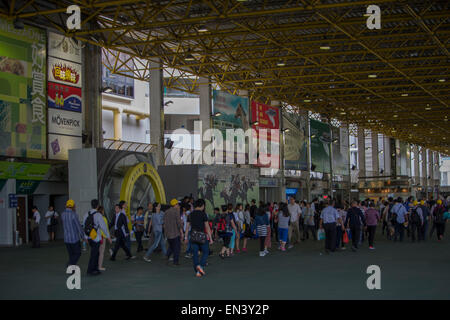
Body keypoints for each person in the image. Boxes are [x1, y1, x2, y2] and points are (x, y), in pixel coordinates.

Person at [184, 199, 213, 277]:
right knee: (206, 251)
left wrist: (185, 237)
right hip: (202, 236)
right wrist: (210, 238)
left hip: (193, 236)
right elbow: (207, 227)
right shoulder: (203, 214)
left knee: (195, 253)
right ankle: (200, 266)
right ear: (202, 206)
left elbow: (187, 227)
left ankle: (197, 270)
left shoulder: (190, 214)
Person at [82, 199, 112, 276]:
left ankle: (95, 269)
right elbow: (103, 227)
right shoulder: (98, 215)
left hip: (89, 237)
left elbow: (84, 226)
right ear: (98, 206)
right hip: (96, 237)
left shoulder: (86, 214)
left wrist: (85, 237)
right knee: (94, 254)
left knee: (96, 253)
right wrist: (108, 237)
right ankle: (90, 270)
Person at [61, 200, 84, 267]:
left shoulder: (62, 214)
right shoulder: (74, 214)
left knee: (71, 254)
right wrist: (83, 236)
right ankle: (70, 264)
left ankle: (72, 269)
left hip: (66, 238)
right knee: (77, 253)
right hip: (74, 239)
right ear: (73, 206)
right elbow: (78, 227)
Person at [164, 199, 184, 266]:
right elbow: (179, 223)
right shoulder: (176, 211)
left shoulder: (166, 212)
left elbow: (165, 223)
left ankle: (167, 255)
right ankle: (175, 261)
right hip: (175, 233)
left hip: (168, 233)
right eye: (178, 204)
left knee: (172, 246)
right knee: (177, 247)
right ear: (175, 205)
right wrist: (182, 229)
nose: (178, 206)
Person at [97, 206, 109, 271]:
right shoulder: (103, 218)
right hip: (102, 237)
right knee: (101, 252)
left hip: (96, 237)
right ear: (102, 211)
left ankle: (96, 265)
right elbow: (105, 229)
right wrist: (108, 237)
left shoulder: (95, 217)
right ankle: (100, 266)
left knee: (97, 252)